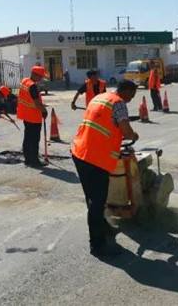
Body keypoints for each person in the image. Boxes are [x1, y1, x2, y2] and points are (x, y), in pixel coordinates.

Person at [71, 80, 139, 257]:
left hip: (79, 152)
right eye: (132, 95)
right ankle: (98, 244)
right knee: (97, 201)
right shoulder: (119, 104)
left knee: (92, 198)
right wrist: (133, 135)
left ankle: (103, 227)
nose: (131, 99)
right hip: (96, 159)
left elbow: (101, 126)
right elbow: (126, 131)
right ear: (126, 91)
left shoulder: (100, 97)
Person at [18, 66, 49, 167]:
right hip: (33, 117)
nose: (41, 79)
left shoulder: (24, 81)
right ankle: (34, 161)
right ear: (34, 74)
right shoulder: (32, 86)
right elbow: (36, 103)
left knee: (27, 137)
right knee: (34, 139)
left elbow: (28, 99)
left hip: (25, 115)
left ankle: (27, 159)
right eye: (40, 76)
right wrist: (44, 111)